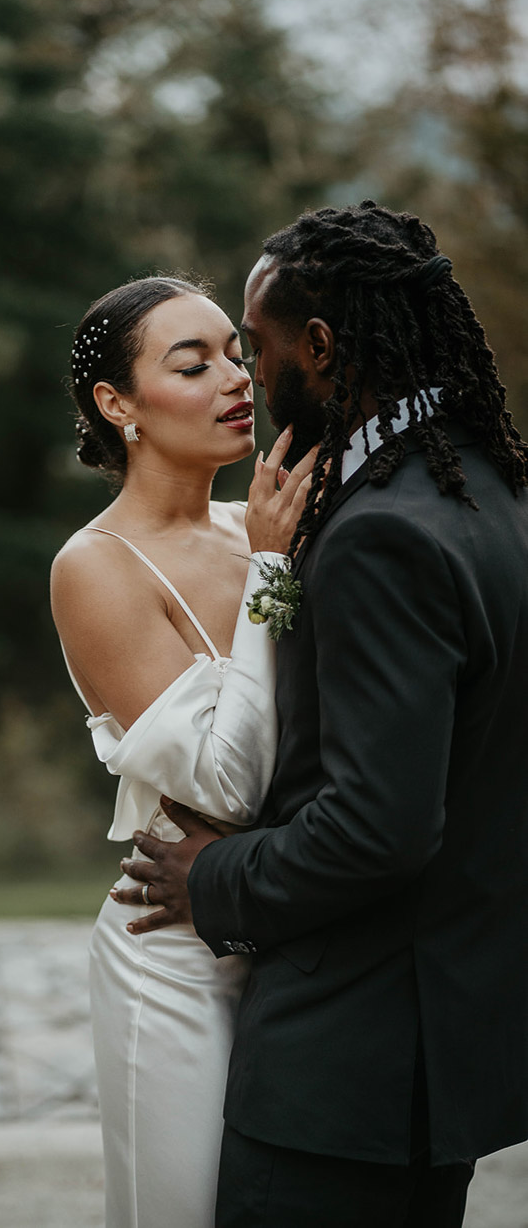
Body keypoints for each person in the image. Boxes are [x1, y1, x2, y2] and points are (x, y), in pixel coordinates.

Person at [113, 201, 528, 1227]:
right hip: (432, 1065)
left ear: (322, 345)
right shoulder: (490, 498)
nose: (248, 378)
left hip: (345, 1073)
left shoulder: (381, 532)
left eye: (254, 347)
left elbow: (378, 826)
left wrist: (214, 875)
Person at [50, 274, 314, 1228]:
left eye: (235, 355)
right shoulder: (96, 566)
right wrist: (275, 570)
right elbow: (227, 779)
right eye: (191, 363)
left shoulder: (258, 523)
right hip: (175, 961)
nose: (234, 379)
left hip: (298, 933)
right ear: (117, 404)